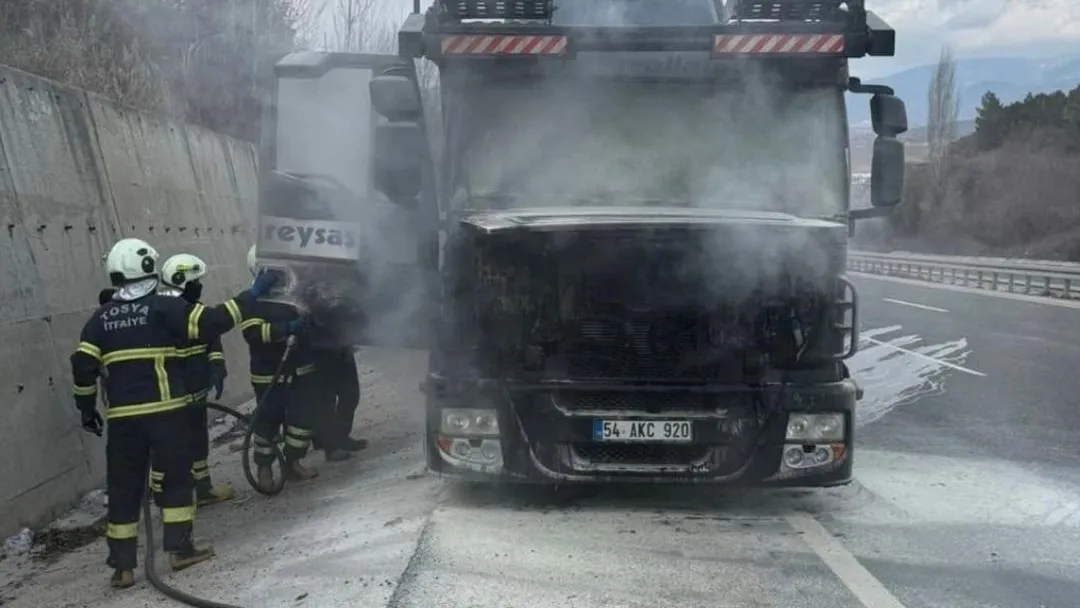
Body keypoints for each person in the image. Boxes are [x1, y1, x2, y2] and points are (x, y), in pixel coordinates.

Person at [70, 237, 277, 588]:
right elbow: (213, 321)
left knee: (123, 488)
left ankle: (122, 568)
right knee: (176, 479)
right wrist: (253, 293)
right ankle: (180, 550)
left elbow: (82, 366)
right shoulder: (165, 308)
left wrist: (87, 408)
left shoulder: (99, 319)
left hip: (123, 421)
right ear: (147, 267)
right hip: (166, 414)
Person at [148, 253, 235, 507]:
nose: (199, 286)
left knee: (198, 441)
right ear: (181, 281)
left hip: (196, 393)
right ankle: (162, 494)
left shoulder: (195, 311)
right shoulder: (163, 313)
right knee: (169, 446)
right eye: (196, 281)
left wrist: (217, 365)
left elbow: (211, 337)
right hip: (171, 398)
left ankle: (204, 488)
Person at [239, 245, 319, 490]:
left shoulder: (297, 293)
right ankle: (264, 468)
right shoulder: (252, 300)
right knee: (267, 422)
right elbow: (252, 333)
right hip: (269, 374)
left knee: (302, 421)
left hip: (300, 370)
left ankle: (293, 462)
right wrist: (286, 329)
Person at [311, 346, 368, 462]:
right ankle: (331, 447)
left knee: (351, 394)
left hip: (342, 346)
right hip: (320, 350)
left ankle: (341, 437)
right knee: (326, 400)